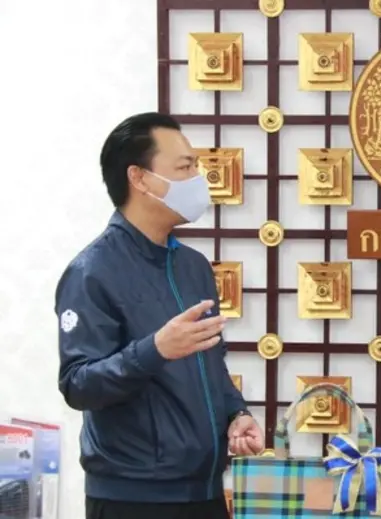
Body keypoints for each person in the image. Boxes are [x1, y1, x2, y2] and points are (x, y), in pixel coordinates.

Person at [56, 112, 264, 519]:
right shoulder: (91, 272)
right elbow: (78, 385)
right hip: (132, 498)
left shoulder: (193, 266)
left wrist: (236, 413)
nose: (198, 179)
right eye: (185, 168)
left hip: (205, 491)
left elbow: (211, 362)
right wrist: (154, 350)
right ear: (140, 178)